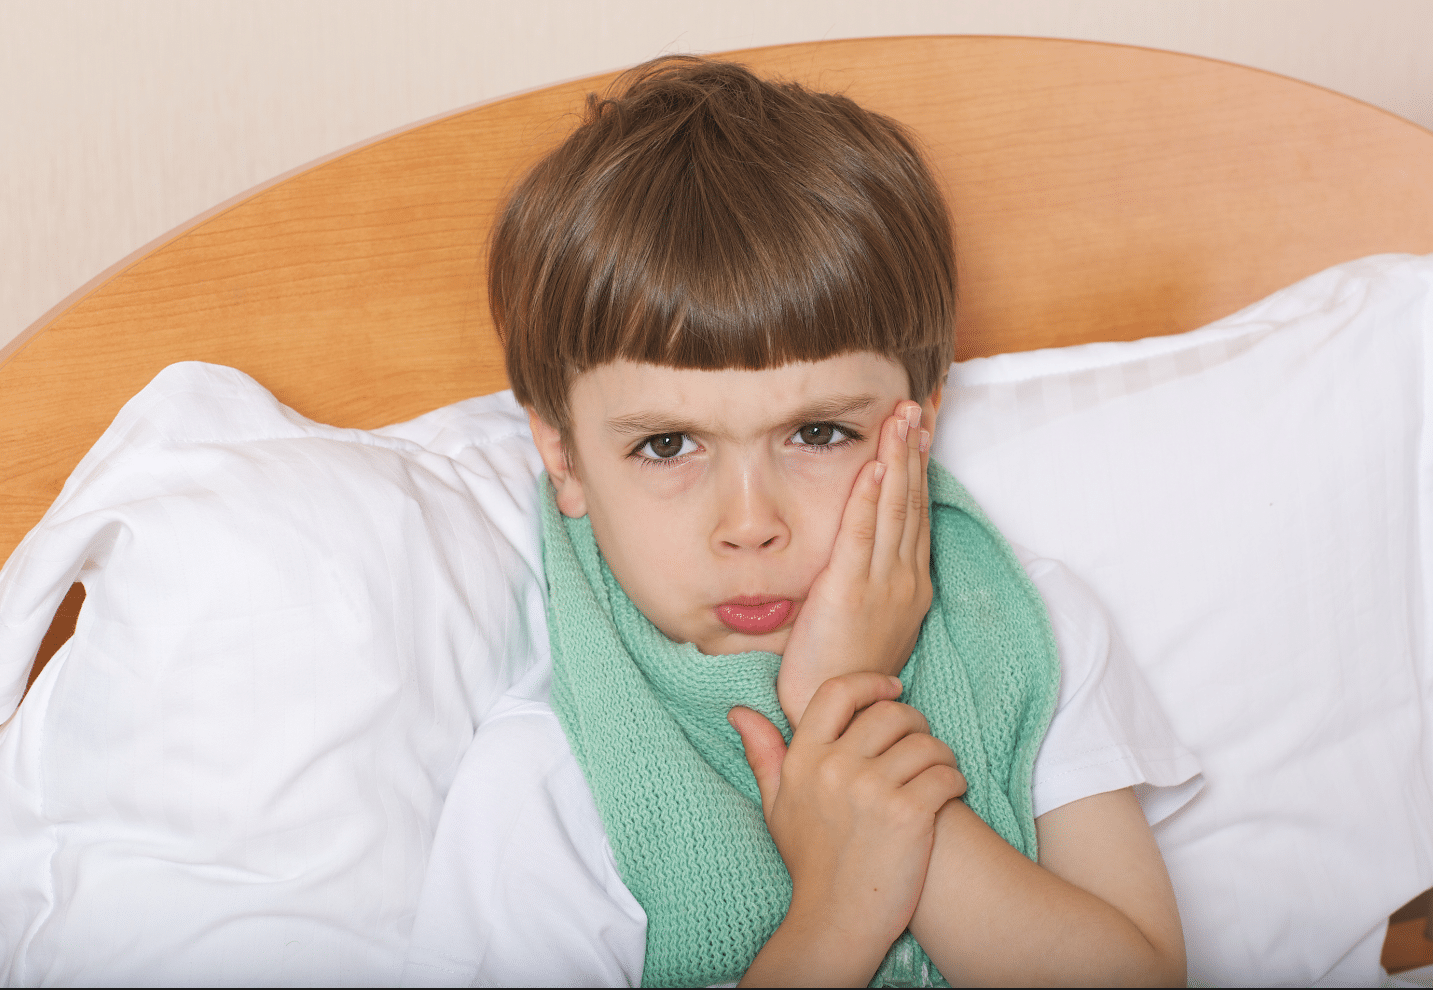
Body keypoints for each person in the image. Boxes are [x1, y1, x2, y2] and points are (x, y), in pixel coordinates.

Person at [401, 55, 1201, 988]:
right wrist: (835, 911)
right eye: (666, 446)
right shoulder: (546, 779)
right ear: (564, 458)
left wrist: (841, 701)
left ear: (921, 418)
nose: (750, 525)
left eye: (818, 432)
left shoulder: (1027, 626)